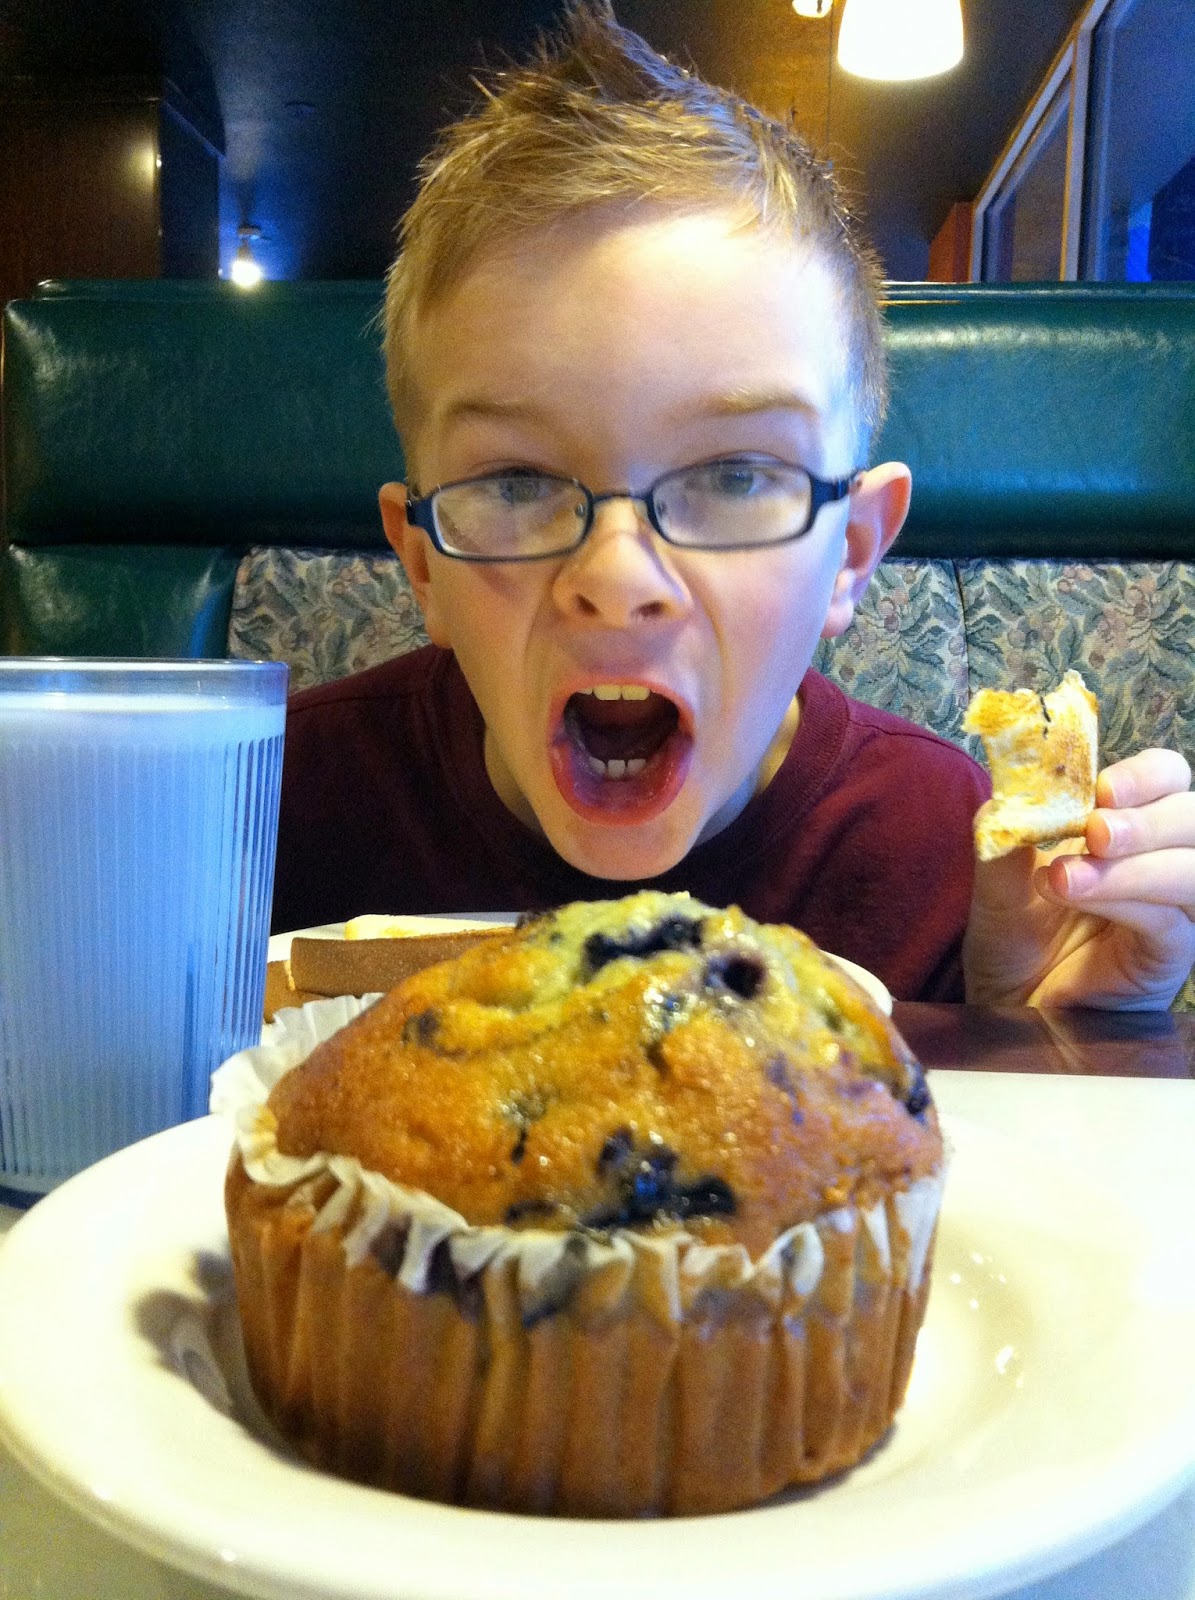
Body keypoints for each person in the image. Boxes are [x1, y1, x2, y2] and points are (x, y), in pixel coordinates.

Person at [272, 1, 1195, 1010]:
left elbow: (1011, 1085)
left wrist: (1035, 1039)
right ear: (422, 563)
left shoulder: (946, 856)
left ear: (850, 553)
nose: (616, 579)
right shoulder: (278, 809)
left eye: (735, 477)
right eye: (517, 483)